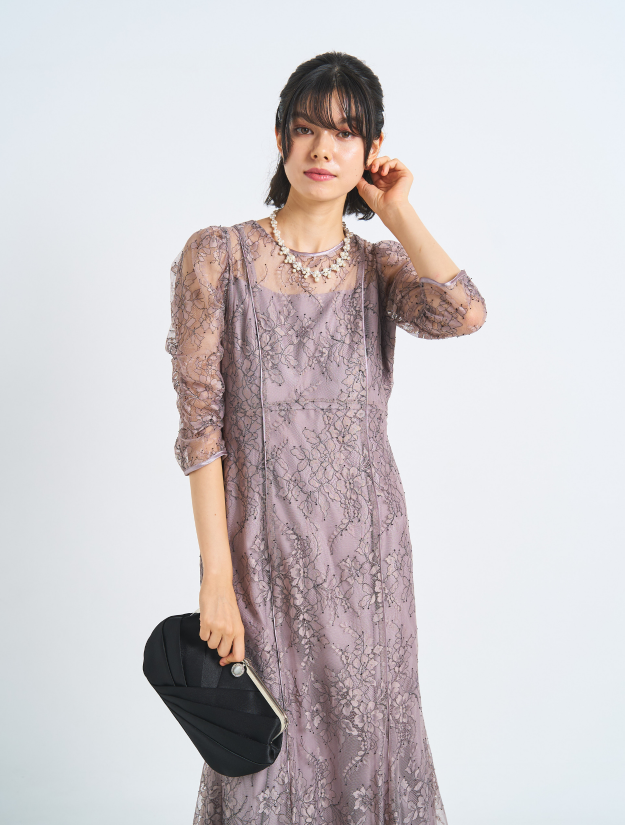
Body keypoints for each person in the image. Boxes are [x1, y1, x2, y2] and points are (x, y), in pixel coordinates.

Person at [166, 50, 486, 825]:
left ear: (370, 150)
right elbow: (200, 429)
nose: (322, 149)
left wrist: (397, 210)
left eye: (345, 133)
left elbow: (464, 313)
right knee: (266, 747)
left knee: (370, 740)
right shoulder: (218, 256)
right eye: (307, 128)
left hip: (366, 556)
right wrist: (216, 579)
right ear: (280, 137)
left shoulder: (379, 268)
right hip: (260, 553)